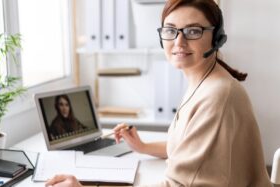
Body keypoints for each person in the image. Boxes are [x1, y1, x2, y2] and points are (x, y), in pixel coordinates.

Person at [45, 0, 272, 186]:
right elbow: (188, 147)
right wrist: (142, 147)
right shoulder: (204, 80)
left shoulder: (217, 96)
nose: (179, 42)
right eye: (170, 30)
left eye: (193, 31)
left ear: (217, 38)